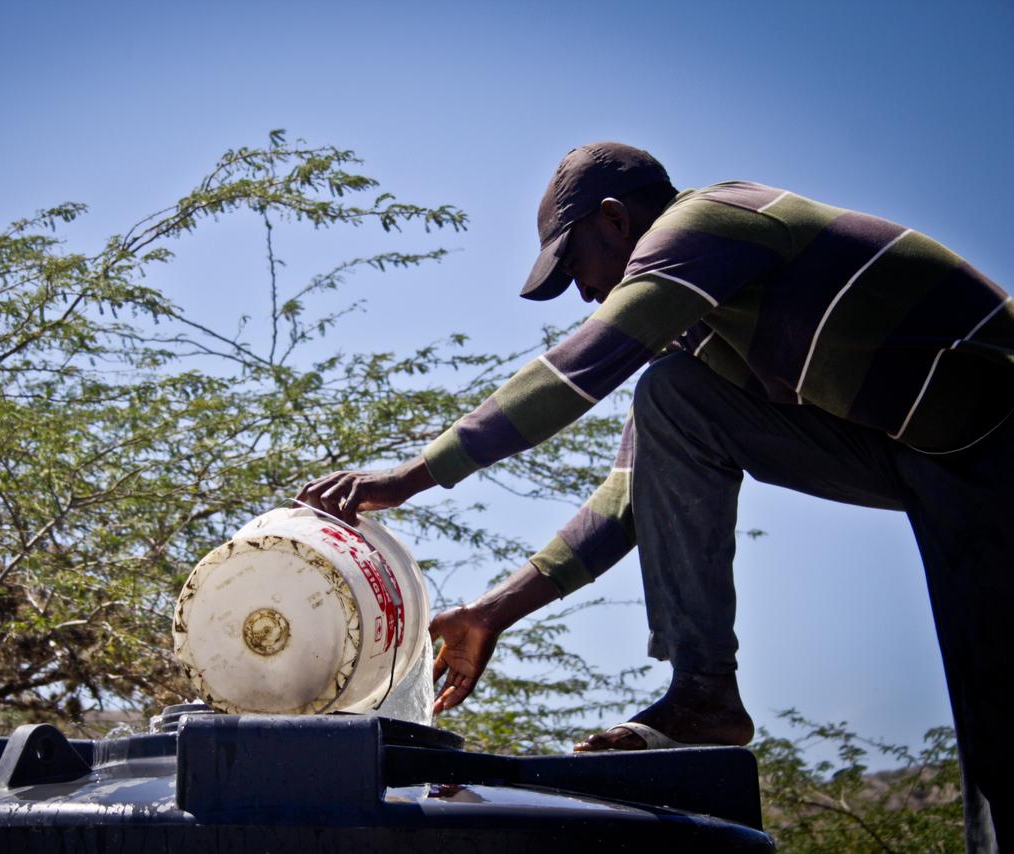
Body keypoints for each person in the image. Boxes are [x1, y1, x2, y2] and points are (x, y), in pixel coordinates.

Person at [295, 142, 1011, 850]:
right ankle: (705, 696)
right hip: (921, 455)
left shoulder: (710, 224)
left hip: (997, 434)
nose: (582, 293)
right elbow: (631, 496)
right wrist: (492, 612)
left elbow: (580, 367)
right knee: (675, 401)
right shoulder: (702, 329)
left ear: (614, 220)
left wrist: (413, 475)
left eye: (574, 264)